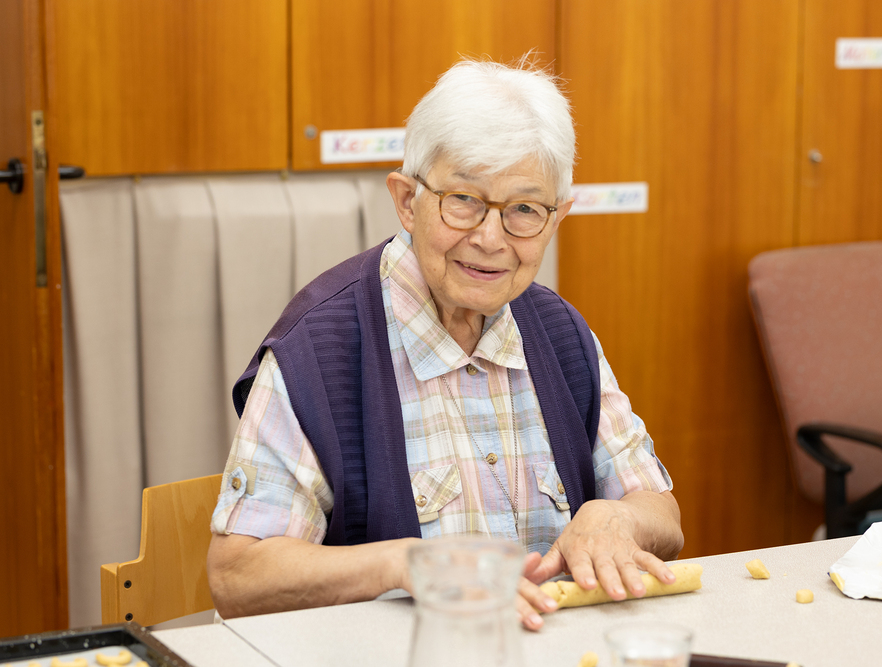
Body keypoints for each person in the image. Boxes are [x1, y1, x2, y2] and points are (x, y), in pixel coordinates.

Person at [206, 57, 683, 630]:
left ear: (557, 219)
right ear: (407, 201)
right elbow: (237, 577)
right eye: (463, 200)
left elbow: (661, 513)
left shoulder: (560, 333)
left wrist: (619, 520)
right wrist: (405, 564)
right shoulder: (317, 351)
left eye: (524, 210)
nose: (490, 239)